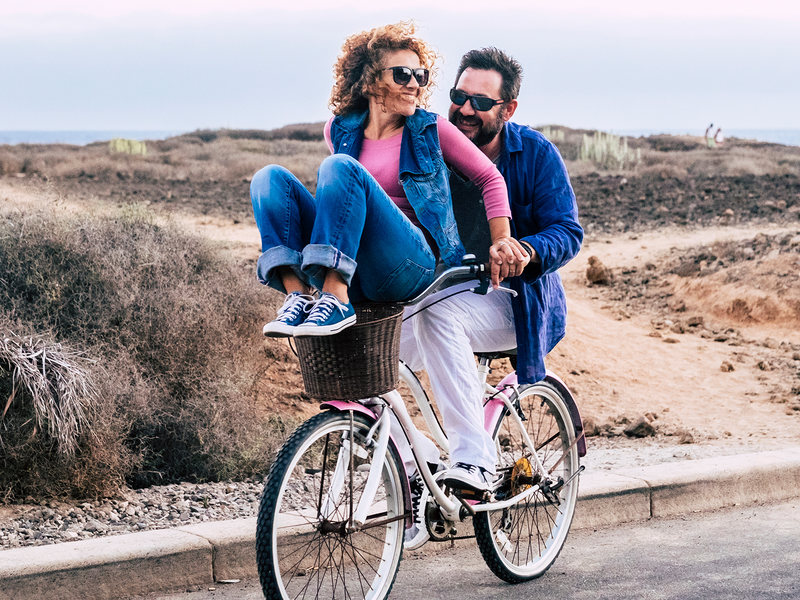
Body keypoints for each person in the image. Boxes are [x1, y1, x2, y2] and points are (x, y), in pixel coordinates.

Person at [398, 47, 583, 548]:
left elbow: (567, 232)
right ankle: (418, 467)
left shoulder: (535, 153)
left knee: (438, 320)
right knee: (373, 343)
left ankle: (472, 457)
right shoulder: (434, 148)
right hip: (443, 290)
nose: (464, 110)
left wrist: (525, 249)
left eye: (480, 102)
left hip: (516, 304)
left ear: (509, 109)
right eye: (458, 97)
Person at [250, 23, 517, 339]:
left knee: (340, 167)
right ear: (370, 80)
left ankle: (335, 297)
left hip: (413, 263)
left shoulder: (432, 130)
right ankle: (298, 295)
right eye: (403, 74)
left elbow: (491, 178)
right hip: (359, 263)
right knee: (269, 180)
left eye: (421, 76)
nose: (414, 84)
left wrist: (502, 239)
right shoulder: (338, 129)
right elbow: (343, 206)